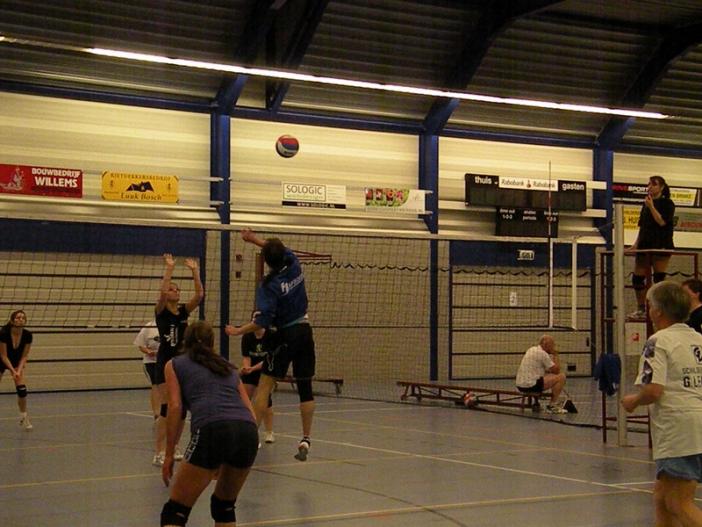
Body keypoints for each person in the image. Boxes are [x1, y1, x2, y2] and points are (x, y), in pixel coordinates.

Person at [226, 229, 316, 461]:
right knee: (305, 387)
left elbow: (261, 322)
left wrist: (238, 331)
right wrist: (255, 239)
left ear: (266, 261)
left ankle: (250, 439)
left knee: (264, 386)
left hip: (285, 335)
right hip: (305, 331)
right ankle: (306, 438)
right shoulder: (294, 264)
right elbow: (278, 249)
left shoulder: (268, 286)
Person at [160, 321, 257, 527]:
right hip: (247, 432)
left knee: (175, 511)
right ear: (212, 343)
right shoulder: (228, 368)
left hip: (213, 429)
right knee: (224, 506)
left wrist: (168, 453)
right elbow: (250, 411)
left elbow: (175, 407)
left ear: (185, 341)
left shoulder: (174, 364)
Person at [622, 281, 702, 526]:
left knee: (678, 503)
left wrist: (633, 401)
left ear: (657, 311)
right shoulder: (698, 338)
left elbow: (653, 390)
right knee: (661, 496)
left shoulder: (658, 341)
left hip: (678, 428)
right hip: (696, 423)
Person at [154, 253, 204, 466]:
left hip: (183, 364)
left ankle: (173, 446)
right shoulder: (161, 312)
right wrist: (170, 268)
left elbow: (199, 295)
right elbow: (162, 292)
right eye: (172, 289)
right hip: (165, 363)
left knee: (182, 408)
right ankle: (159, 450)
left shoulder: (183, 311)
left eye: (177, 290)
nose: (175, 291)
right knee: (167, 407)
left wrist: (195, 271)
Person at [625, 175, 676, 320]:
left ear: (662, 187)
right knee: (637, 279)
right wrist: (635, 245)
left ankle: (660, 308)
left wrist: (652, 207)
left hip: (661, 245)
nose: (650, 187)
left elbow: (661, 222)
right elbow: (642, 226)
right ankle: (641, 308)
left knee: (658, 279)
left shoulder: (667, 203)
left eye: (654, 184)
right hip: (645, 246)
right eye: (649, 184)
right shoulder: (646, 204)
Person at [240, 311, 278, 445]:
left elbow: (268, 360)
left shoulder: (271, 335)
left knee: (265, 400)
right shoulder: (247, 336)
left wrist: (252, 368)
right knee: (244, 398)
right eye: (254, 318)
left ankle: (269, 432)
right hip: (251, 370)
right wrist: (246, 367)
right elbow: (246, 356)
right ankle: (248, 430)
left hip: (266, 371)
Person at [515, 335, 567, 414]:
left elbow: (539, 369)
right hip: (531, 386)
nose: (553, 347)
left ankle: (538, 402)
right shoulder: (543, 354)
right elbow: (556, 370)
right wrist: (555, 355)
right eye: (552, 345)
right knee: (561, 377)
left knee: (547, 376)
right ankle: (552, 405)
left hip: (520, 385)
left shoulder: (531, 349)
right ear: (546, 345)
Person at [0, 310, 34, 430]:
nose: (20, 320)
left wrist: (18, 371)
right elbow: (3, 356)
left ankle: (24, 416)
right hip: (1, 360)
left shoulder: (28, 335)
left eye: (23, 318)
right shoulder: (4, 333)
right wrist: (13, 371)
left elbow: (24, 356)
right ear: (12, 320)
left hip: (16, 361)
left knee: (22, 391)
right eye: (18, 317)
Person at [134, 320, 163, 459]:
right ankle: (157, 413)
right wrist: (148, 352)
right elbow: (140, 345)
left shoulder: (170, 326)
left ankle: (164, 411)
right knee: (155, 385)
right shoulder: (149, 327)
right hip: (151, 362)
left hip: (164, 361)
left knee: (164, 387)